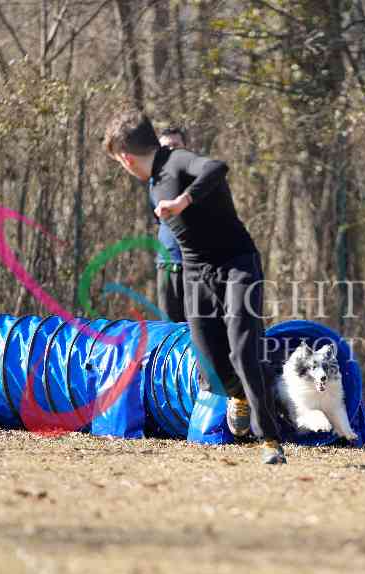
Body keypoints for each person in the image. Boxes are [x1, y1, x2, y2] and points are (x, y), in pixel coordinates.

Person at [103, 110, 286, 464]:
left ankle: (269, 439)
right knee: (208, 361)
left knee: (242, 348)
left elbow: (216, 167)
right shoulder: (153, 183)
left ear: (126, 158)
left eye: (119, 163)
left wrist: (183, 201)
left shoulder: (177, 160)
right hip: (197, 273)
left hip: (236, 263)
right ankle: (241, 394)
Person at [150, 126, 187, 322]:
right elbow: (157, 217)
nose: (171, 151)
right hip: (166, 265)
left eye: (175, 146)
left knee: (196, 328)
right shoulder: (154, 182)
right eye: (165, 147)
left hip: (194, 268)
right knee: (168, 327)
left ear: (185, 147)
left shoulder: (197, 179)